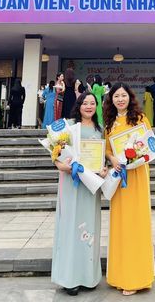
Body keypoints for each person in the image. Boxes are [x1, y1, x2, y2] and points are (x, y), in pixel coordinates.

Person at [51, 91, 107, 296]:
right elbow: (56, 153)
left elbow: (103, 158)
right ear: (79, 105)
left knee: (89, 227)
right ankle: (70, 278)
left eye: (93, 103)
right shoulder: (69, 127)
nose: (89, 106)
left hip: (90, 185)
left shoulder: (100, 130)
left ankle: (88, 276)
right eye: (85, 103)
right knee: (70, 227)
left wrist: (103, 170)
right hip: (71, 183)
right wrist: (62, 166)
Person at [104, 83, 155, 296]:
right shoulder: (109, 124)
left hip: (138, 175)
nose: (120, 99)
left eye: (123, 95)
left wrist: (137, 155)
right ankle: (120, 275)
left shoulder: (140, 119)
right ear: (111, 100)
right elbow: (107, 149)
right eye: (116, 96)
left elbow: (151, 144)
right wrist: (113, 158)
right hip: (120, 178)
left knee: (137, 222)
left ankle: (137, 277)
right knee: (121, 224)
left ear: (130, 97)